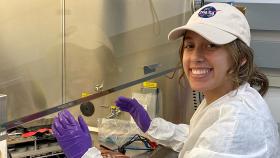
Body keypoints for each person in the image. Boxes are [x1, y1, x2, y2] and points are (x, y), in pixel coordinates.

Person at [51, 3, 280, 158]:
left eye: (212, 45)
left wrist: (86, 155)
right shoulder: (227, 98)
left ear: (241, 59)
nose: (196, 57)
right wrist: (152, 126)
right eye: (190, 45)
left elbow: (218, 141)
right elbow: (196, 139)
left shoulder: (235, 127)